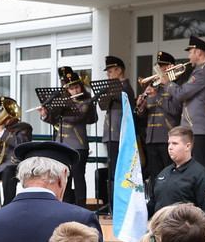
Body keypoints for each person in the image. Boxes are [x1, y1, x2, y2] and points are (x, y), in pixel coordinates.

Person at [147, 126, 205, 238]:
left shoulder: (200, 174)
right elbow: (153, 205)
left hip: (185, 240)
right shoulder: (163, 173)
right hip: (160, 238)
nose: (170, 147)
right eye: (169, 143)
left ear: (187, 146)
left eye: (175, 144)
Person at [42, 67, 95, 208]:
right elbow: (54, 120)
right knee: (64, 176)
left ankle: (81, 206)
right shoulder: (62, 102)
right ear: (67, 90)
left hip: (78, 144)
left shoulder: (85, 102)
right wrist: (45, 115)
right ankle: (65, 205)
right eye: (71, 89)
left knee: (78, 175)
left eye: (77, 87)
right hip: (62, 144)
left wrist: (62, 110)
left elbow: (76, 118)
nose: (75, 91)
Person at [165, 36, 205, 169]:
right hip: (200, 126)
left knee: (196, 168)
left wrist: (167, 82)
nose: (189, 57)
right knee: (193, 168)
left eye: (190, 52)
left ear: (198, 52)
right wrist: (175, 79)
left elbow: (182, 93)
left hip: (196, 127)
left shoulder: (201, 72)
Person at [97, 56, 138, 210]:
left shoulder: (125, 87)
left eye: (110, 71)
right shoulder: (111, 88)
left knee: (119, 171)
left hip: (119, 134)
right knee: (112, 170)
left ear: (119, 70)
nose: (108, 74)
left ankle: (118, 205)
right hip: (110, 134)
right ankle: (111, 203)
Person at [138, 51, 182, 181]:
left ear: (170, 67)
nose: (159, 69)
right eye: (158, 66)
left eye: (162, 66)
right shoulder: (153, 86)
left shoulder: (176, 86)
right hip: (151, 138)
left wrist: (157, 97)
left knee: (169, 174)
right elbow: (143, 114)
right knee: (155, 176)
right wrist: (140, 107)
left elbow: (175, 110)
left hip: (167, 137)